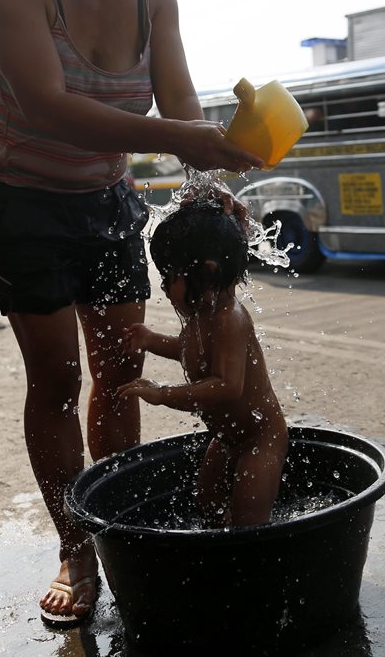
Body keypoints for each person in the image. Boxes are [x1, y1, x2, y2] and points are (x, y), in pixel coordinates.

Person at [0, 0, 263, 627]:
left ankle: (123, 519)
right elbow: (48, 108)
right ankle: (75, 543)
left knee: (119, 366)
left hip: (105, 200)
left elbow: (179, 101)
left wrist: (206, 183)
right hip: (21, 200)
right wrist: (184, 141)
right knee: (58, 381)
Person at [117, 200, 288, 527]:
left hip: (259, 439)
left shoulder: (229, 320)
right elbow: (189, 350)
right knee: (206, 504)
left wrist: (164, 393)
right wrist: (152, 340)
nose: (165, 289)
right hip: (226, 437)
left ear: (207, 271)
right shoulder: (202, 314)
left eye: (169, 279)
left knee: (248, 522)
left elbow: (227, 386)